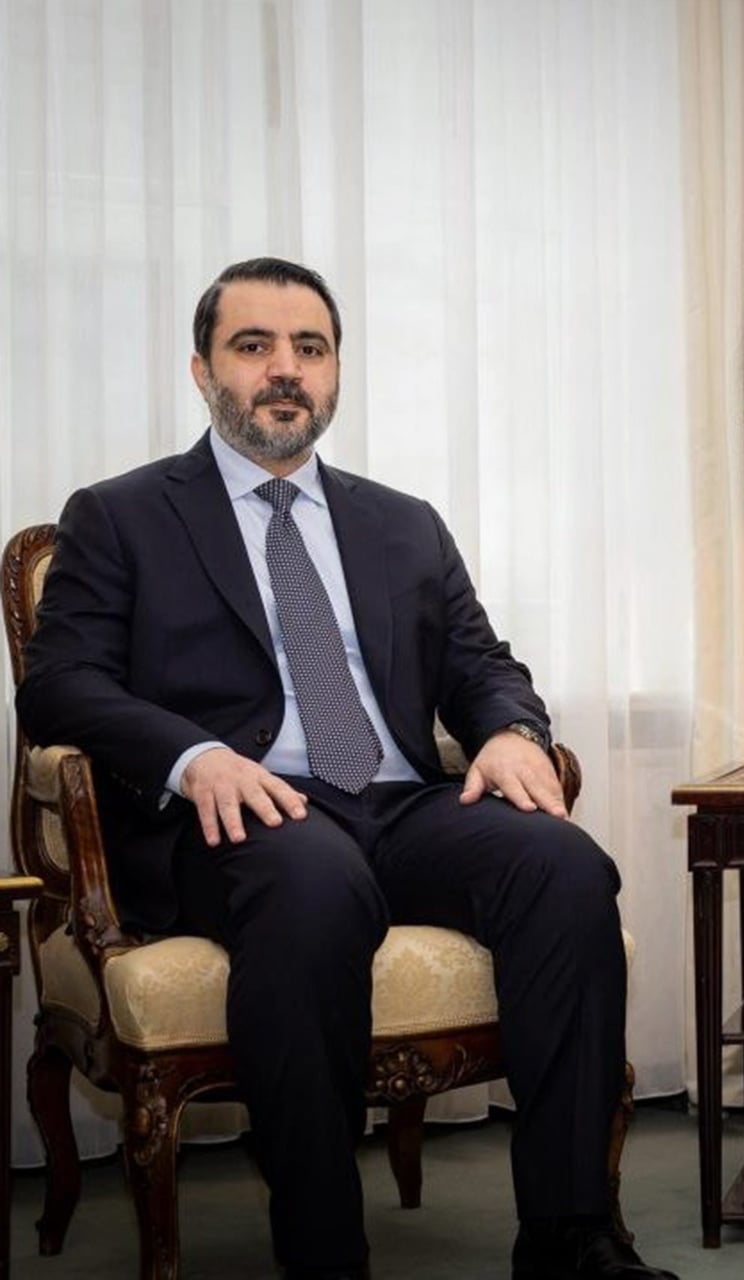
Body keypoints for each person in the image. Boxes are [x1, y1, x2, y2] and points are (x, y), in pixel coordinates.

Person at [18, 258, 677, 1280]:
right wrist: (193, 757)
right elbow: (60, 686)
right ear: (202, 370)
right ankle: (324, 1252)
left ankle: (572, 1236)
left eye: (311, 348)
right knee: (313, 881)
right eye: (253, 346)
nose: (285, 369)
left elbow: (482, 663)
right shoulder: (123, 514)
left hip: (397, 800)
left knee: (564, 866)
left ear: (334, 372)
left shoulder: (401, 521)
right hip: (242, 815)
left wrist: (511, 730)